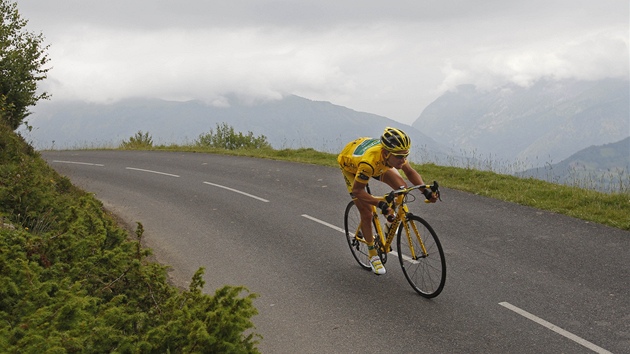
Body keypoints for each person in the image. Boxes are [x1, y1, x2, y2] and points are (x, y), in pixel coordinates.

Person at [338, 127, 437, 275]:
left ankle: (390, 222)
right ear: (386, 153)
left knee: (401, 187)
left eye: (406, 155)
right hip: (352, 167)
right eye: (399, 157)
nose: (403, 160)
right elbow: (359, 191)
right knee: (366, 212)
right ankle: (373, 255)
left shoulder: (396, 152)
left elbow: (409, 172)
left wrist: (426, 192)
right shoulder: (368, 163)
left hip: (379, 164)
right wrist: (380, 204)